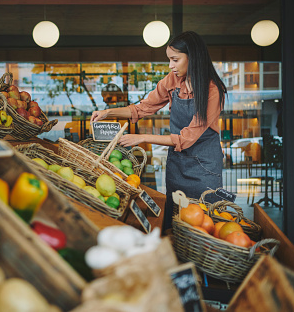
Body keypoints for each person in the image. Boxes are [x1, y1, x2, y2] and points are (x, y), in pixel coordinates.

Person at [90, 31, 227, 230]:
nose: (171, 66)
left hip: (204, 168)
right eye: (169, 60)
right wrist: (108, 112)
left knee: (205, 224)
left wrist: (142, 137)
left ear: (193, 57)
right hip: (177, 165)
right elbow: (142, 108)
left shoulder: (213, 90)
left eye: (175, 59)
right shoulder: (172, 81)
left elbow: (186, 138)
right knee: (175, 221)